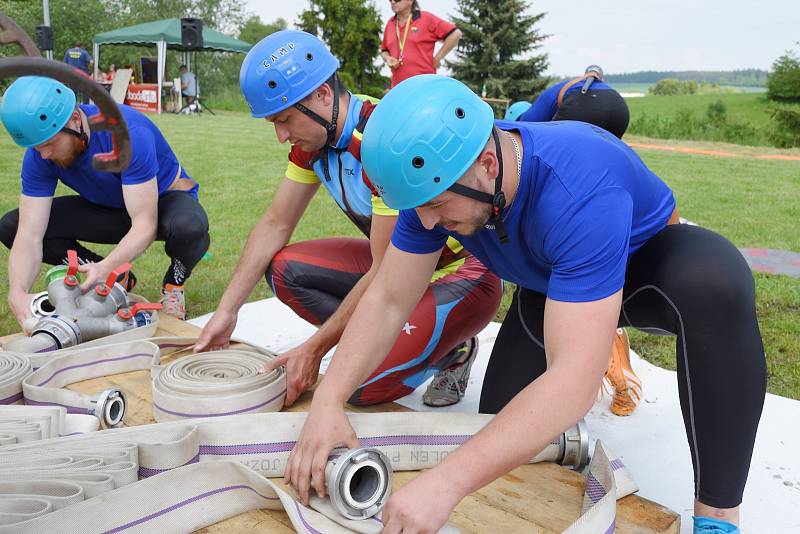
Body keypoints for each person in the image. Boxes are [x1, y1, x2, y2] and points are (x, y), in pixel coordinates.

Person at [285, 75, 765, 534]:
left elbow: (574, 381)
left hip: (649, 273)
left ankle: (717, 514)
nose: (429, 225)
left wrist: (446, 483)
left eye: (436, 206)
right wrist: (329, 401)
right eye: (421, 209)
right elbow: (389, 299)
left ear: (487, 165)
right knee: (499, 430)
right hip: (551, 283)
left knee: (714, 281)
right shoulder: (433, 190)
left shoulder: (579, 185)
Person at [195, 30, 502, 409]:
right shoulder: (314, 142)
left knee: (357, 387)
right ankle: (395, 340)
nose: (280, 135)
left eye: (285, 119)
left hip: (463, 272)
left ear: (323, 95)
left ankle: (451, 348)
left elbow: (386, 270)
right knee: (284, 270)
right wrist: (228, 311)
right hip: (398, 266)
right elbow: (275, 225)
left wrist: (314, 348)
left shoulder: (379, 138)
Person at [0, 77, 209, 324]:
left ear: (75, 120)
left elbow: (144, 223)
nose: (44, 154)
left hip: (160, 203)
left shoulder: (126, 134)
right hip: (109, 207)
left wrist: (110, 263)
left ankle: (173, 284)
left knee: (190, 227)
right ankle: (110, 275)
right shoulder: (40, 155)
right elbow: (29, 234)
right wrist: (18, 293)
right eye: (36, 148)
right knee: (11, 226)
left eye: (50, 144)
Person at [518, 65, 630, 139]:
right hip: (619, 107)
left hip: (583, 103)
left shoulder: (554, 92)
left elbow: (524, 127)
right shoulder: (565, 88)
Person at [380, 0, 462, 87]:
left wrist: (438, 57)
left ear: (410, 1)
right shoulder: (390, 23)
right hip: (398, 87)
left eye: (397, 0)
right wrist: (388, 58)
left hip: (424, 86)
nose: (392, 2)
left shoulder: (426, 18)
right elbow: (384, 50)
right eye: (390, 0)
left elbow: (455, 34)